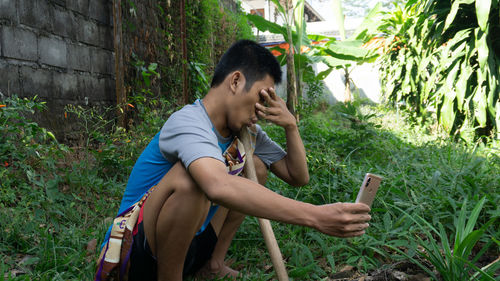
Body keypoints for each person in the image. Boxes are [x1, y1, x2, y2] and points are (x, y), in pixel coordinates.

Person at [96, 39, 371, 281]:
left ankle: (213, 263)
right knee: (192, 181)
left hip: (190, 245)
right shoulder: (188, 122)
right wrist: (315, 216)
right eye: (260, 98)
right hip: (137, 256)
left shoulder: (246, 132)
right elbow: (217, 186)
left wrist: (291, 126)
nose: (260, 111)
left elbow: (297, 176)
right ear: (236, 81)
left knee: (257, 168)